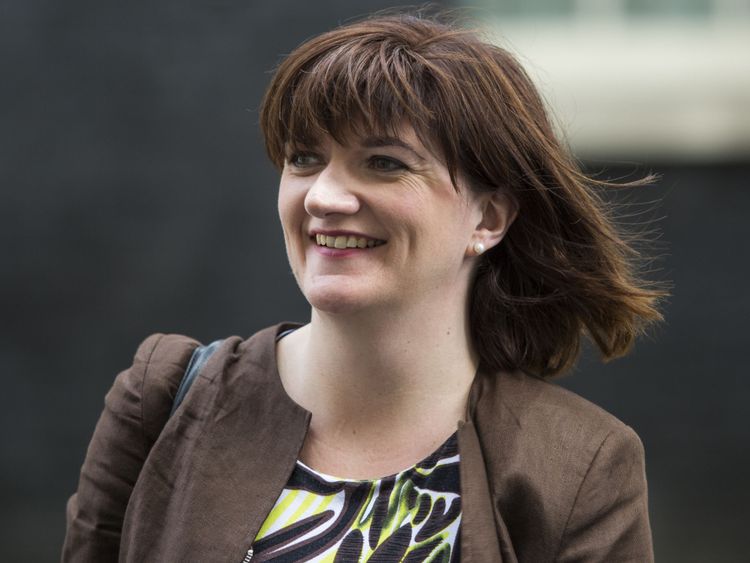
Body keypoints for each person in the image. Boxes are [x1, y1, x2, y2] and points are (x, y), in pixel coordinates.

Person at [62, 11, 667, 563]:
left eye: (385, 162)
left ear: (487, 220)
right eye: (304, 158)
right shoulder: (163, 400)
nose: (324, 196)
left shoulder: (581, 465)